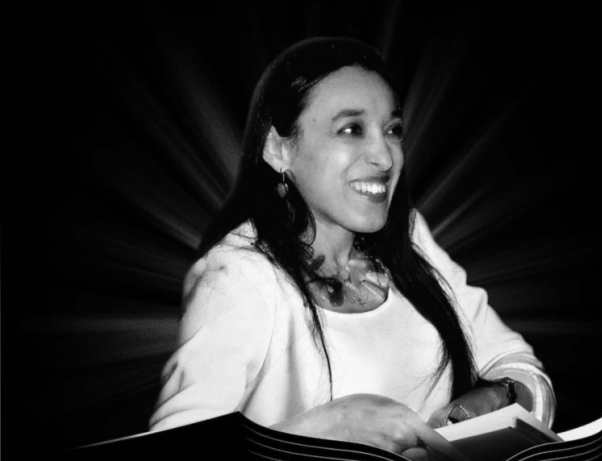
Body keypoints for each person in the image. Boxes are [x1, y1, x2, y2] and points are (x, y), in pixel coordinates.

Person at [149, 37, 555, 456]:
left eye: (393, 130)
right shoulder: (239, 277)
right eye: (351, 129)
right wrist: (320, 430)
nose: (385, 157)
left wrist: (498, 395)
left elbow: (521, 366)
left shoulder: (410, 237)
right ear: (278, 149)